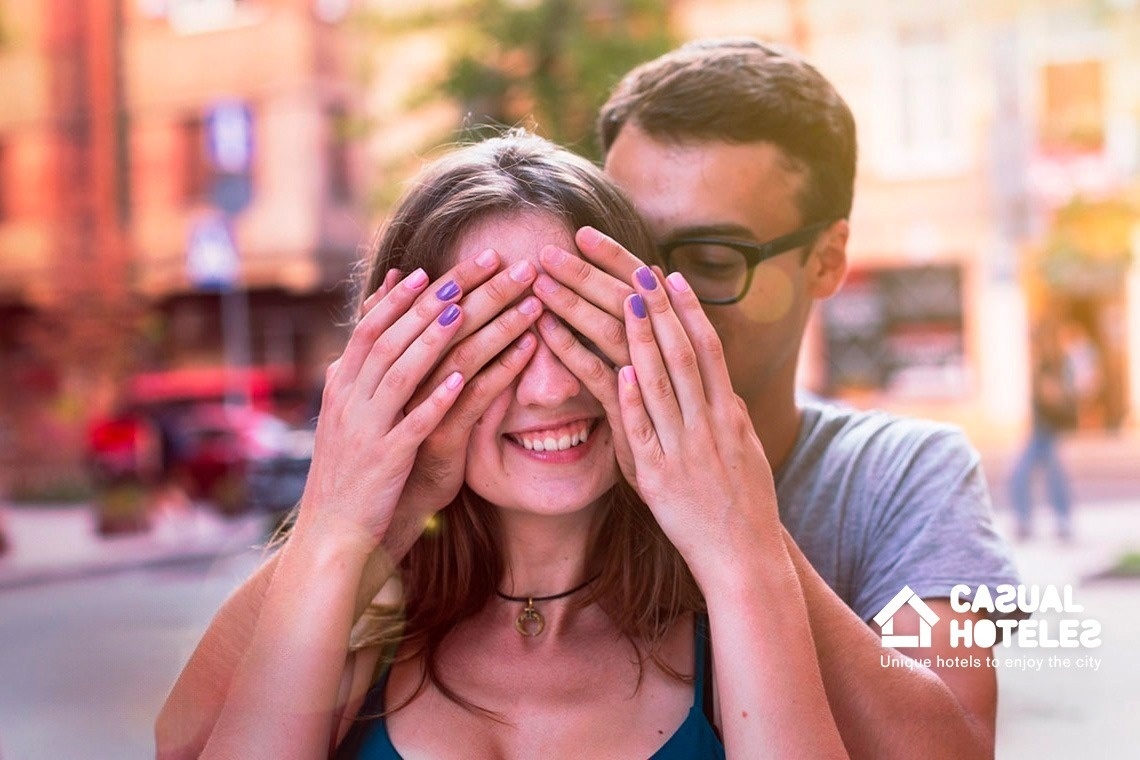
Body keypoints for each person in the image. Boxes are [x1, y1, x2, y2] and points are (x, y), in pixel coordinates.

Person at [160, 39, 1023, 759]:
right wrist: (349, 517)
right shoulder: (383, 592)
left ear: (826, 260)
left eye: (708, 261)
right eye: (618, 266)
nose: (654, 308)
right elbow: (185, 740)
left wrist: (737, 528)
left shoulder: (876, 494)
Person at [161, 132, 846, 758]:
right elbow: (179, 743)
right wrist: (340, 525)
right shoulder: (361, 628)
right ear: (401, 364)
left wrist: (739, 542)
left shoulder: (728, 624)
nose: (549, 388)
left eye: (579, 331)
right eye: (500, 344)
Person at [1009, 321, 1075, 541]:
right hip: (1040, 428)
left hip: (1048, 428)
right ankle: (1039, 521)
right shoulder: (1041, 364)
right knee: (1039, 475)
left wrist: (1050, 391)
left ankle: (1050, 521)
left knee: (1031, 474)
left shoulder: (1053, 363)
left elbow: (1056, 395)